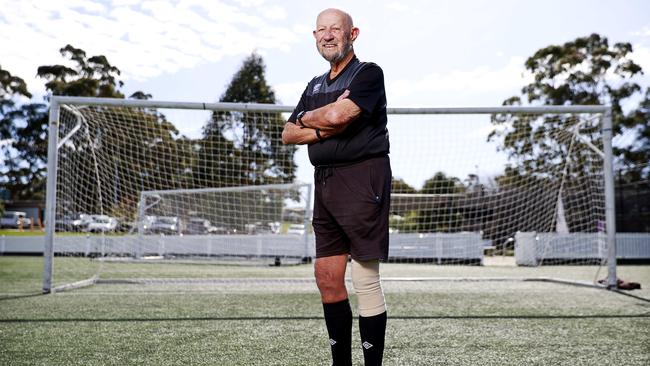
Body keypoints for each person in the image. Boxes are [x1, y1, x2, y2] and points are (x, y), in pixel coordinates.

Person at [281, 8, 391, 366]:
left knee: (363, 275)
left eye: (336, 30)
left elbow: (340, 116)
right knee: (327, 277)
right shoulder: (314, 84)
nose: (328, 36)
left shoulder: (368, 73)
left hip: (362, 177)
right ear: (314, 37)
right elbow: (288, 133)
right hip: (324, 181)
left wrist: (314, 118)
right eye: (321, 30)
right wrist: (324, 120)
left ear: (353, 34)